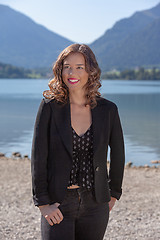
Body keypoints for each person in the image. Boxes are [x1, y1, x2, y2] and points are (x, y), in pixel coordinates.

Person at [31, 43, 125, 240]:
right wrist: (43, 203)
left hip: (96, 205)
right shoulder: (50, 107)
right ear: (60, 69)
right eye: (67, 66)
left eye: (79, 67)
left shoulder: (108, 110)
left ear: (90, 71)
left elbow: (118, 154)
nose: (72, 72)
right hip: (58, 203)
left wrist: (114, 193)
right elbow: (39, 158)